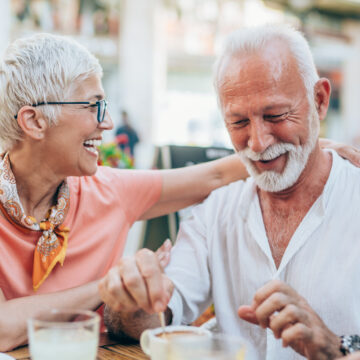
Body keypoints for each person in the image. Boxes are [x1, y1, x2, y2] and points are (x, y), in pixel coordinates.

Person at [99, 24, 360, 360]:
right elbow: (159, 314)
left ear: (319, 101)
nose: (258, 142)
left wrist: (336, 347)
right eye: (238, 123)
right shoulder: (217, 209)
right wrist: (133, 299)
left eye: (275, 115)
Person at [0, 32, 256, 352]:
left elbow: (216, 175)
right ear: (34, 121)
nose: (106, 122)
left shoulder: (109, 192)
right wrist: (106, 286)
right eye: (93, 105)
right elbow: (2, 329)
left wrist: (308, 148)